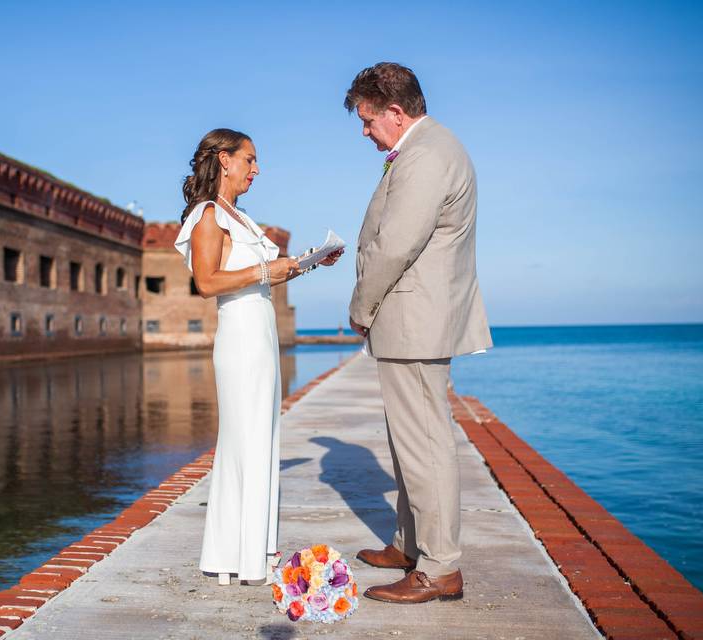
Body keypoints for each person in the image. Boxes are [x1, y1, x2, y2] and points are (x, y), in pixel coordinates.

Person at [344, 63, 493, 604]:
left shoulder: (426, 155)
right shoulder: (430, 148)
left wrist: (361, 306)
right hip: (415, 321)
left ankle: (439, 568)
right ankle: (410, 543)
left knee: (425, 446)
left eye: (367, 120)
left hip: (414, 322)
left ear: (395, 111)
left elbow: (395, 245)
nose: (364, 131)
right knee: (409, 442)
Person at [174, 128, 342, 585]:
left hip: (261, 332)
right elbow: (207, 283)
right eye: (250, 159)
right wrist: (268, 268)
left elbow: (260, 277)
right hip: (240, 338)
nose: (256, 169)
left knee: (262, 440)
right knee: (244, 441)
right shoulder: (209, 214)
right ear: (224, 160)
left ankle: (254, 552)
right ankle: (239, 557)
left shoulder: (240, 217)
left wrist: (305, 263)